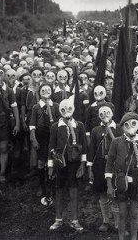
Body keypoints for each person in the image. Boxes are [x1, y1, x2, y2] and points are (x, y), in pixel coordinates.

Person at [105, 112, 138, 240]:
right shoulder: (117, 142)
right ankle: (121, 237)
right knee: (122, 213)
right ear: (123, 127)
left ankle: (134, 238)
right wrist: (109, 185)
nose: (130, 127)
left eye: (133, 123)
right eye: (126, 124)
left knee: (134, 213)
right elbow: (109, 163)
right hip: (121, 183)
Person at [48, 98, 87, 232]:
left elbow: (84, 146)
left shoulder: (79, 125)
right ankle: (58, 219)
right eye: (63, 109)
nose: (66, 112)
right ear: (60, 111)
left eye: (69, 109)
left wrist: (83, 163)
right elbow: (51, 146)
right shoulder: (55, 126)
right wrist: (51, 166)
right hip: (60, 163)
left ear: (73, 109)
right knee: (59, 189)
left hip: (74, 163)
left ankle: (74, 220)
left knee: (74, 189)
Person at [87, 101, 123, 232]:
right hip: (100, 165)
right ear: (98, 115)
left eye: (107, 112)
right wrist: (90, 168)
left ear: (112, 113)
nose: (104, 114)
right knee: (102, 193)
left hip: (114, 165)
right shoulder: (95, 130)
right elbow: (91, 150)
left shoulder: (119, 128)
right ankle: (106, 221)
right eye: (101, 113)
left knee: (115, 194)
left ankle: (119, 224)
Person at [29, 84, 59, 198]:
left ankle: (51, 186)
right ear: (39, 92)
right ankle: (42, 186)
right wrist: (34, 139)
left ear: (51, 91)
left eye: (48, 90)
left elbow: (59, 121)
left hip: (52, 136)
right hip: (41, 136)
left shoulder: (55, 106)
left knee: (51, 161)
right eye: (43, 90)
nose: (46, 91)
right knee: (41, 161)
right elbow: (32, 124)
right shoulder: (36, 107)